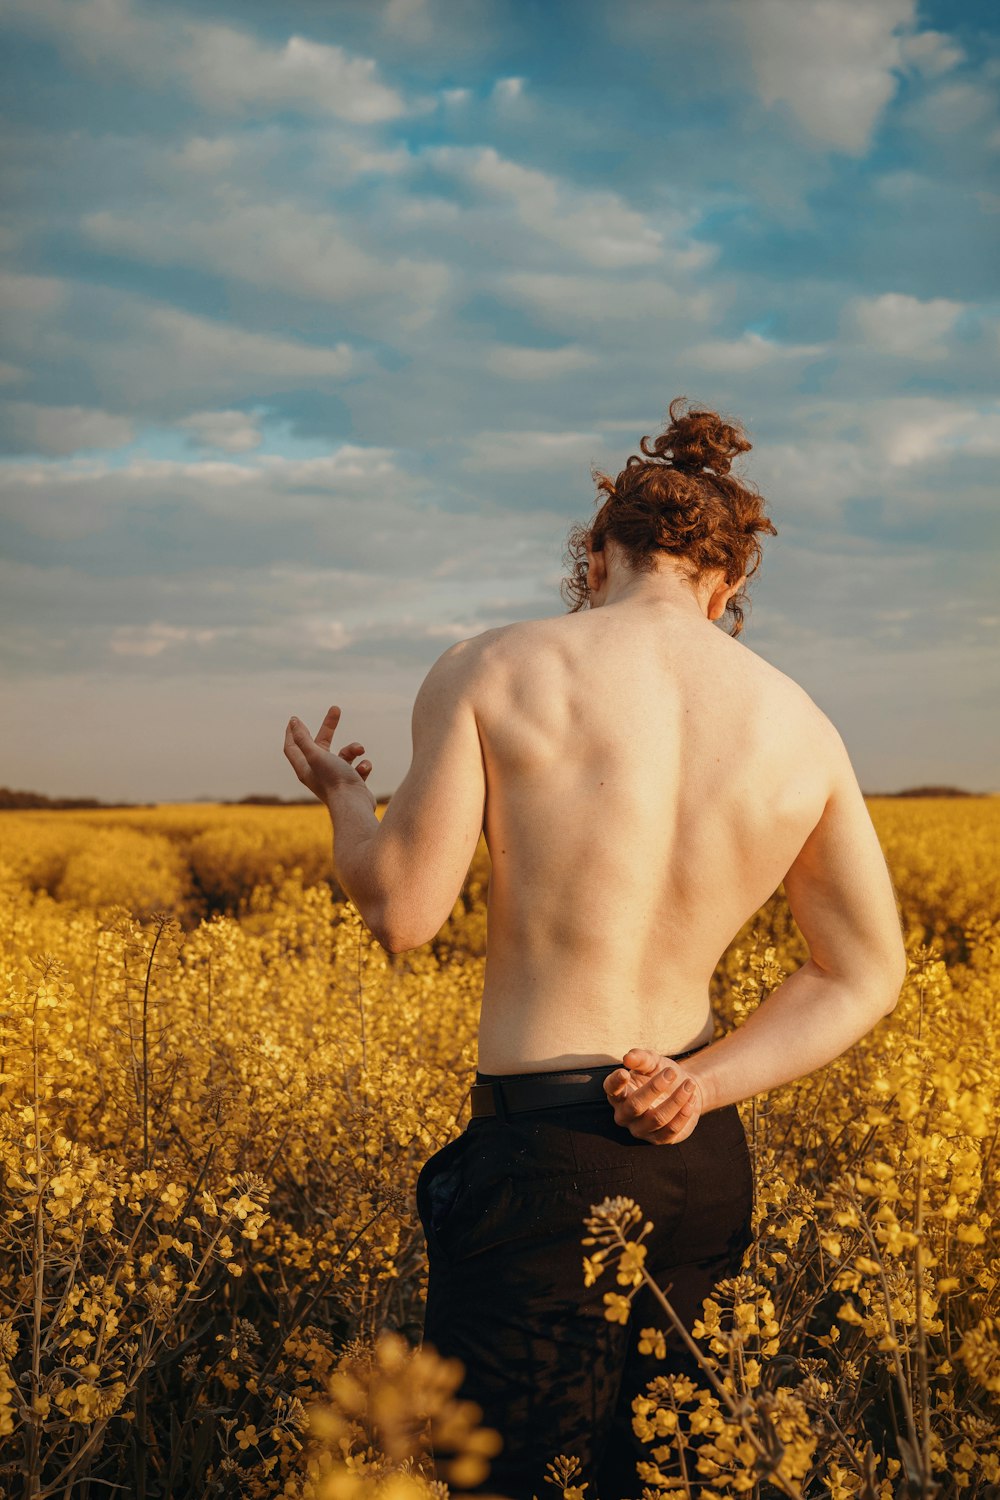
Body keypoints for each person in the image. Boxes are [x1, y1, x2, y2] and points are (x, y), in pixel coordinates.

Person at [283, 397, 908, 1499]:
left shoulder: (496, 666)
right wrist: (697, 1085)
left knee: (509, 1481)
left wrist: (346, 805)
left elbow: (403, 914)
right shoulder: (798, 722)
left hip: (544, 1163)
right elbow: (863, 971)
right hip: (700, 1163)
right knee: (668, 1477)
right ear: (728, 585)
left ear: (598, 553)